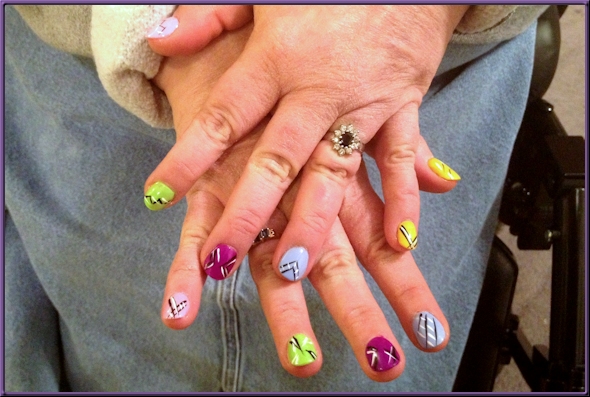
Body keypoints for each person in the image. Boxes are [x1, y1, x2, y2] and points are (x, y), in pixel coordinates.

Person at [3, 4, 548, 392]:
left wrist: (410, 15)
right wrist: (155, 29)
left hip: (410, 77)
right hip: (96, 65)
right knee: (116, 345)